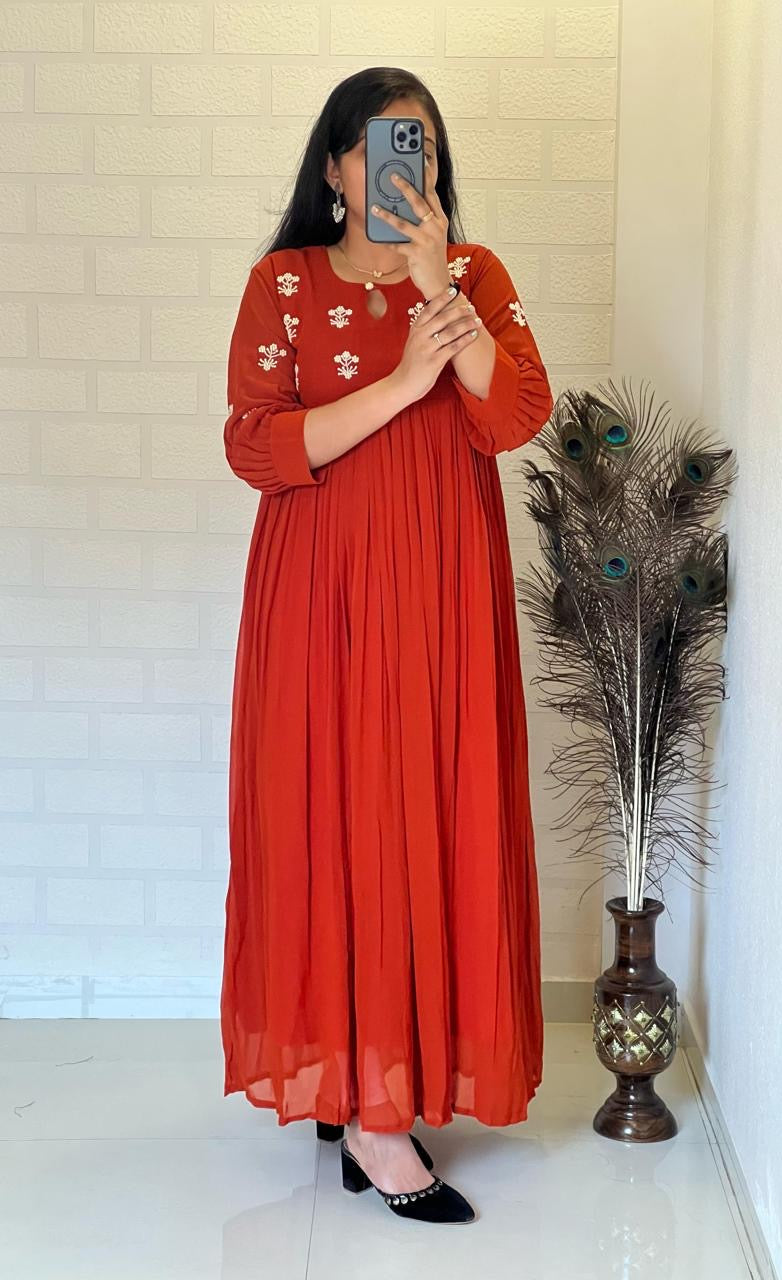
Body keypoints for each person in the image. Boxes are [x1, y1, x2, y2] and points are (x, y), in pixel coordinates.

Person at [219, 67, 554, 1226]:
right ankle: (363, 1104)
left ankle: (380, 1083)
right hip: (317, 597)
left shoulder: (473, 276)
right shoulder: (282, 282)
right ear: (332, 166)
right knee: (332, 814)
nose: (397, 165)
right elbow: (254, 444)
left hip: (442, 593)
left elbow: (514, 415)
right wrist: (404, 381)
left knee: (428, 811)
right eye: (372, 144)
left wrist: (436, 296)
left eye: (417, 144)